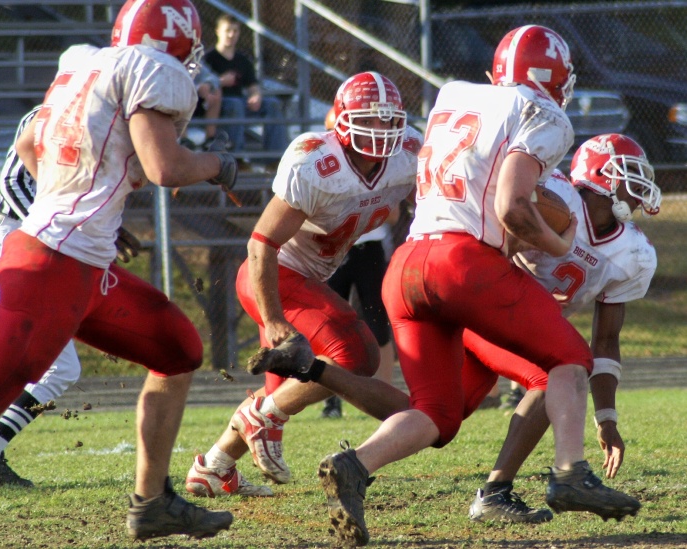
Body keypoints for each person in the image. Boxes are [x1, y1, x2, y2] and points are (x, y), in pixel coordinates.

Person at [248, 25, 640, 546]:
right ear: (555, 78)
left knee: (438, 414)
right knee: (569, 358)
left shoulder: (454, 96)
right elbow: (511, 206)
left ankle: (354, 465)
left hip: (408, 265)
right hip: (463, 263)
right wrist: (557, 242)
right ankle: (571, 473)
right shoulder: (542, 112)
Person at [0, 0, 237, 542]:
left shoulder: (85, 67)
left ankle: (152, 503)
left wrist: (81, 205)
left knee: (178, 347)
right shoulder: (150, 68)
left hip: (77, 263)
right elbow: (166, 167)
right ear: (173, 41)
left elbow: (28, 143)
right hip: (54, 267)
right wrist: (217, 164)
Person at [183, 71, 421, 499]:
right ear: (343, 120)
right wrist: (273, 317)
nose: (381, 130)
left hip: (310, 280)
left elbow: (428, 206)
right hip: (274, 277)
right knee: (355, 354)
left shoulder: (408, 155)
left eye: (388, 119)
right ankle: (258, 418)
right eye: (369, 119)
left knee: (279, 397)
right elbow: (261, 243)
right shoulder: (317, 162)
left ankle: (213, 467)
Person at [0, 106, 139, 488]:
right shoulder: (52, 113)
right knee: (51, 368)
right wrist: (63, 227)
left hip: (21, 246)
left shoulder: (90, 119)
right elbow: (12, 184)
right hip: (15, 243)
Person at [466, 135, 660, 523]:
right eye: (630, 174)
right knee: (441, 413)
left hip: (527, 332)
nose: (639, 189)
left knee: (437, 418)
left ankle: (494, 492)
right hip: (484, 309)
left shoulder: (634, 252)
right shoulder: (554, 198)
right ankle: (558, 478)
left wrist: (606, 417)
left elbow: (606, 340)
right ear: (601, 174)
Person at [320, 105, 399, 419]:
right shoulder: (322, 168)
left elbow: (393, 215)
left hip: (369, 250)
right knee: (328, 327)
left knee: (378, 326)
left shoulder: (378, 165)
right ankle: (330, 399)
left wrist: (365, 205)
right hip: (333, 251)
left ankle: (385, 395)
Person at [203, 14, 288, 159]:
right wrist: (220, 81)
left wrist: (256, 96)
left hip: (240, 103)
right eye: (227, 30)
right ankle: (237, 158)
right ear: (218, 31)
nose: (231, 34)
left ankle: (275, 158)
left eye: (235, 31)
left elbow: (253, 86)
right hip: (218, 105)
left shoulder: (242, 59)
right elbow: (202, 86)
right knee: (235, 104)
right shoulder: (208, 58)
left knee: (272, 104)